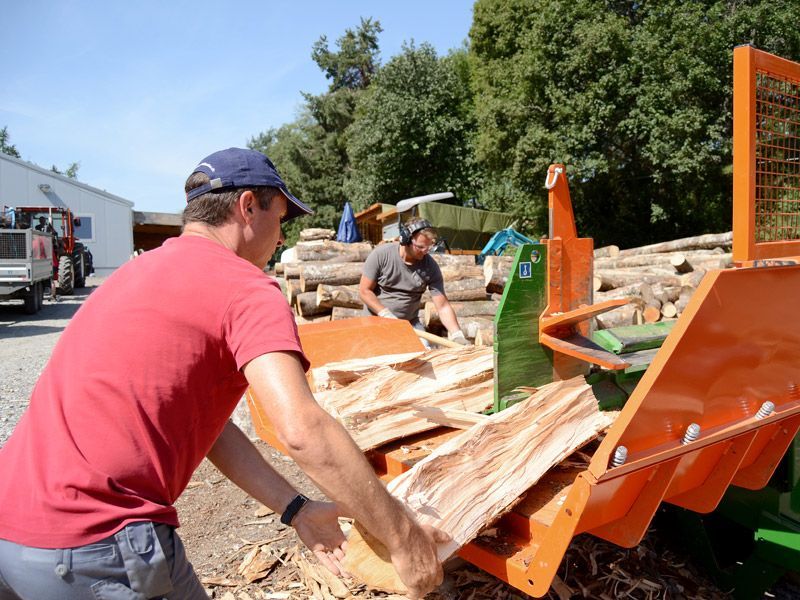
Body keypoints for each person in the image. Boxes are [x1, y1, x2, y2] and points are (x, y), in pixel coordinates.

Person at [0, 148, 446, 600]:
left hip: (12, 526)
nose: (280, 235)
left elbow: (204, 426)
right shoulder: (245, 288)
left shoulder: (137, 273)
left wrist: (297, 510)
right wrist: (404, 538)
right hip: (97, 545)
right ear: (248, 206)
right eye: (282, 217)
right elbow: (302, 430)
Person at [359, 218, 470, 346]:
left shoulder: (430, 267)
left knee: (424, 350)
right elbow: (364, 291)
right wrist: (386, 314)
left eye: (429, 247)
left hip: (409, 324)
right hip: (375, 321)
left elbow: (443, 306)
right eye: (420, 247)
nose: (425, 251)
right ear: (405, 240)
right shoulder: (381, 255)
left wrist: (457, 335)